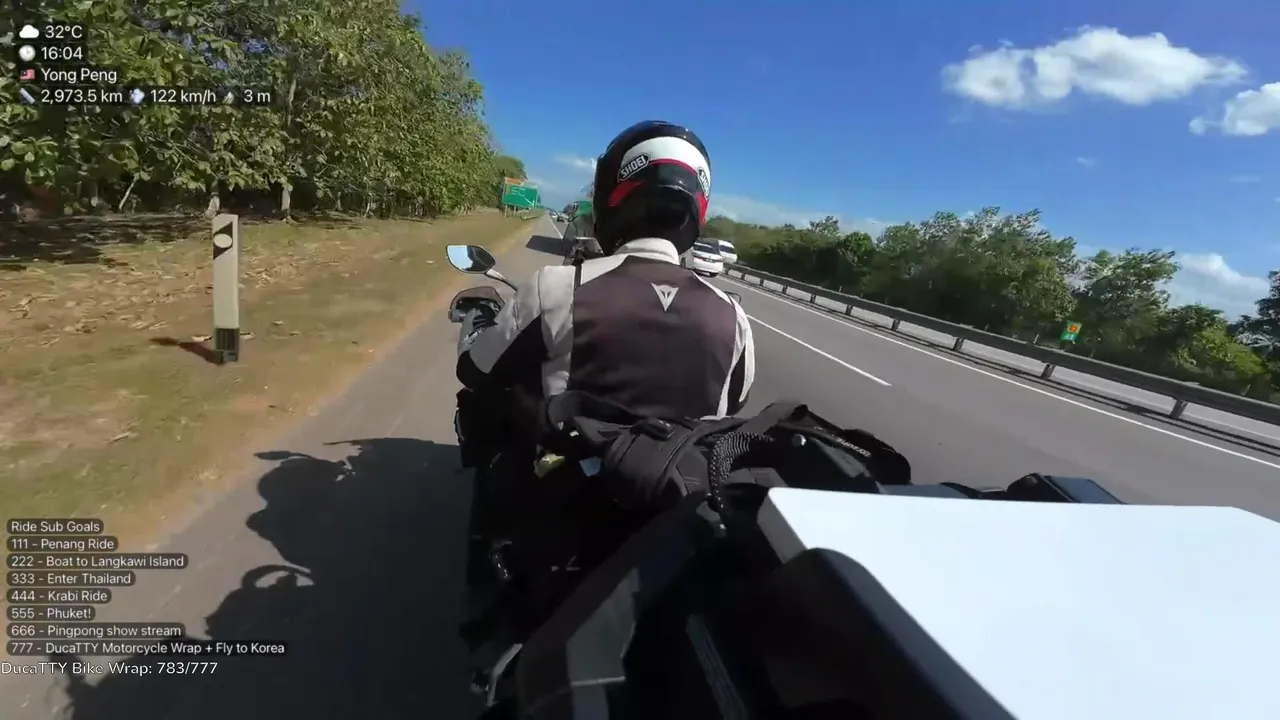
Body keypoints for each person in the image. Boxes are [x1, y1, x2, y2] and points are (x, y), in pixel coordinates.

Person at [456, 120, 754, 430]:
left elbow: (475, 369)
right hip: (678, 462)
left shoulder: (557, 287)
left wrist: (476, 318)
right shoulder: (734, 318)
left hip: (563, 459)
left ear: (609, 198)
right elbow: (735, 401)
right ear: (697, 212)